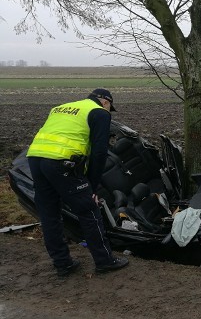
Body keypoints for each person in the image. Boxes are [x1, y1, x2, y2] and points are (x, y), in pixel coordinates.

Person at [27, 88, 129, 277]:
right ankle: (105, 260)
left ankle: (62, 264)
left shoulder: (61, 108)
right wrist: (92, 185)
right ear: (105, 102)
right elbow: (99, 152)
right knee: (89, 209)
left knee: (49, 213)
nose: (109, 111)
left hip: (35, 159)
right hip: (61, 162)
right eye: (110, 107)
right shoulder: (99, 113)